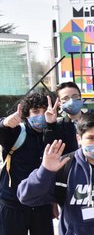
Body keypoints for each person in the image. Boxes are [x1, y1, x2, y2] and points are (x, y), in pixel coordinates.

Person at [17, 111, 94, 235]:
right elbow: (26, 197)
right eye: (91, 138)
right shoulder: (63, 166)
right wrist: (45, 171)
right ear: (79, 138)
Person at [0, 90, 54, 235]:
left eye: (45, 111)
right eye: (36, 111)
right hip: (13, 204)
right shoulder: (18, 132)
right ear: (27, 114)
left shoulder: (53, 134)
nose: (41, 116)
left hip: (42, 204)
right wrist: (5, 123)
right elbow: (2, 132)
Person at [43, 81, 94, 155]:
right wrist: (50, 125)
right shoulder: (59, 126)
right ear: (59, 103)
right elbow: (51, 150)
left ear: (81, 98)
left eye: (75, 96)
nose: (71, 101)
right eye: (66, 98)